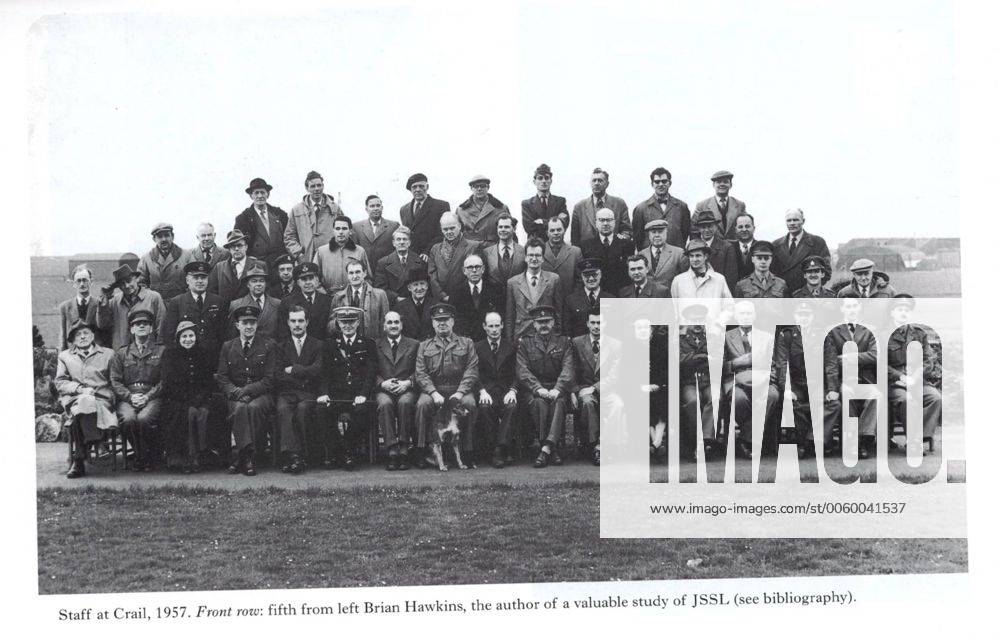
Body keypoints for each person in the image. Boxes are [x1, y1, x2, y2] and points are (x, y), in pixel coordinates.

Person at [414, 303, 479, 468]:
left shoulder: (467, 343)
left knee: (469, 404)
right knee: (422, 404)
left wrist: (460, 392)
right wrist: (433, 392)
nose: (442, 323)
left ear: (453, 321)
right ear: (433, 323)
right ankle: (422, 451)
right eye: (438, 320)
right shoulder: (424, 346)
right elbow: (420, 373)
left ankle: (468, 452)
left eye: (446, 319)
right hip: (434, 389)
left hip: (458, 389)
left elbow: (471, 371)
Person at [216, 304, 277, 476]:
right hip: (235, 395)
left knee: (254, 407)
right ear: (237, 325)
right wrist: (236, 392)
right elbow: (222, 377)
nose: (249, 326)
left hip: (261, 395)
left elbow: (269, 379)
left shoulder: (268, 345)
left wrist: (248, 391)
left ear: (257, 324)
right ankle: (248, 456)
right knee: (241, 407)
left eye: (252, 322)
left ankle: (240, 457)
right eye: (245, 323)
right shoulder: (228, 346)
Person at [771, 302, 836, 458]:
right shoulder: (786, 335)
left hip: (818, 383)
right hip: (796, 382)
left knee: (834, 404)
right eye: (801, 314)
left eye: (807, 314)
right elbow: (782, 364)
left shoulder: (823, 335)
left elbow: (831, 362)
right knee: (792, 403)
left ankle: (810, 441)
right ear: (795, 316)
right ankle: (804, 441)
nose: (804, 317)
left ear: (812, 316)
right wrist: (787, 389)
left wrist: (833, 388)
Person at [55, 320, 118, 478]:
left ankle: (78, 461)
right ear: (72, 339)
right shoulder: (65, 356)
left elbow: (115, 380)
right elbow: (60, 382)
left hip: (102, 398)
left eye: (86, 333)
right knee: (83, 402)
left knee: (79, 413)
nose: (82, 337)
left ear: (93, 336)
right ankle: (98, 442)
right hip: (75, 397)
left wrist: (108, 395)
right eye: (78, 334)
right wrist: (80, 389)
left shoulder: (108, 354)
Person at [315, 307, 377, 470]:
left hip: (358, 395)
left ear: (358, 323)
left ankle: (349, 451)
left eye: (351, 322)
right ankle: (334, 451)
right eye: (343, 322)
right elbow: (325, 373)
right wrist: (324, 394)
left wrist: (363, 394)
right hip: (337, 395)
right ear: (338, 323)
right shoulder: (330, 345)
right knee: (322, 410)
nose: (347, 326)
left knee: (362, 411)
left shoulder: (368, 344)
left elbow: (371, 374)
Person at [517, 305, 574, 468]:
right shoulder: (525, 343)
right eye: (539, 322)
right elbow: (522, 371)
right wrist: (538, 388)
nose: (544, 325)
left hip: (558, 388)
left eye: (547, 321)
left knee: (559, 403)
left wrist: (558, 388)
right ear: (533, 324)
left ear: (554, 322)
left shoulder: (564, 342)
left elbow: (568, 368)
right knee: (539, 403)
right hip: (535, 390)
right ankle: (552, 448)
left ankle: (545, 449)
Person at [720, 301, 777, 459]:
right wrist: (737, 362)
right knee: (738, 399)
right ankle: (753, 439)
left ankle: (745, 439)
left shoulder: (767, 337)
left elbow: (774, 365)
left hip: (763, 379)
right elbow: (719, 367)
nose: (745, 317)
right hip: (736, 381)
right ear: (736, 316)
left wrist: (768, 377)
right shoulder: (725, 337)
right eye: (742, 313)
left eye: (749, 313)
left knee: (771, 395)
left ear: (755, 316)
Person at [887, 294, 942, 455]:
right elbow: (879, 363)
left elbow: (928, 359)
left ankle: (919, 438)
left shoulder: (919, 334)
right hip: (894, 383)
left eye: (907, 310)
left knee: (935, 398)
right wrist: (901, 377)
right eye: (899, 309)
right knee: (906, 400)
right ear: (892, 313)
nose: (903, 313)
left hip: (917, 380)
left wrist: (915, 377)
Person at [823, 296, 878, 458]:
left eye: (855, 306)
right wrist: (833, 387)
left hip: (865, 378)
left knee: (876, 395)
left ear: (859, 308)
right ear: (842, 310)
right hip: (843, 378)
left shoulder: (869, 329)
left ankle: (861, 438)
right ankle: (852, 442)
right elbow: (831, 362)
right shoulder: (833, 331)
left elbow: (875, 355)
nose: (852, 310)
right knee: (847, 395)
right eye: (848, 307)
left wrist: (847, 357)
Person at [110, 308, 164, 470]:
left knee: (145, 419)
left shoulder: (161, 351)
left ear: (151, 328)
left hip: (152, 396)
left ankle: (151, 455)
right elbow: (115, 380)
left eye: (145, 324)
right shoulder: (121, 353)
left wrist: (147, 397)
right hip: (128, 397)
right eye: (137, 324)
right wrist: (129, 397)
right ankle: (142, 455)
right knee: (127, 419)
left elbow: (164, 380)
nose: (141, 326)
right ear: (132, 329)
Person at [274, 306, 324, 474]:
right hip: (286, 393)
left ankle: (300, 456)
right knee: (283, 410)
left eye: (300, 321)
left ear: (307, 322)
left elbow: (318, 370)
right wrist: (304, 372)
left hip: (308, 392)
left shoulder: (318, 345)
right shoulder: (280, 346)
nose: (297, 325)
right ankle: (294, 456)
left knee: (303, 410)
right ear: (288, 323)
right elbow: (278, 374)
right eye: (293, 321)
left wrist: (294, 369)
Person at [160, 320, 215, 473]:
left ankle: (200, 454)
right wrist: (188, 400)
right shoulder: (170, 354)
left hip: (200, 399)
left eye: (191, 335)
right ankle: (184, 456)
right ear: (178, 338)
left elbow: (207, 382)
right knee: (187, 414)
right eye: (184, 336)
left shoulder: (203, 354)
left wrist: (198, 400)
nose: (188, 339)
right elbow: (168, 382)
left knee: (203, 413)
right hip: (176, 400)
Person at [571, 312, 622, 466]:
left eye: (600, 323)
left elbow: (615, 375)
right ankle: (594, 446)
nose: (596, 327)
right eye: (593, 323)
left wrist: (595, 388)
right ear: (587, 324)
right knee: (587, 403)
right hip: (583, 389)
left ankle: (606, 443)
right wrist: (573, 392)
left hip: (607, 388)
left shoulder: (616, 344)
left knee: (618, 404)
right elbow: (570, 369)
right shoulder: (577, 342)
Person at [374, 311, 420, 471]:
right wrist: (382, 383)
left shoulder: (414, 344)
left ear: (401, 325)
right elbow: (370, 371)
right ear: (384, 326)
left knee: (405, 402)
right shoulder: (376, 345)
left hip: (406, 388)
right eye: (389, 323)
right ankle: (392, 450)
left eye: (396, 322)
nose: (393, 326)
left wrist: (408, 382)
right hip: (384, 389)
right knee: (385, 404)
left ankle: (404, 448)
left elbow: (420, 370)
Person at [475, 311, 518, 468]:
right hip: (487, 391)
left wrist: (513, 390)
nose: (494, 330)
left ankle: (500, 449)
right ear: (484, 327)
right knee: (485, 407)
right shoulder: (477, 347)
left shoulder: (511, 346)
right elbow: (474, 373)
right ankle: (494, 448)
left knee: (512, 407)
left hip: (506, 391)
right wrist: (481, 391)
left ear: (502, 326)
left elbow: (517, 372)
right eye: (490, 326)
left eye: (497, 326)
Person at [505, 237, 564, 340]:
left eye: (538, 255)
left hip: (546, 335)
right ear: (525, 257)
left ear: (543, 258)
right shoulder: (513, 283)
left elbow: (558, 312)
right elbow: (510, 316)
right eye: (530, 255)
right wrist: (509, 341)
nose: (534, 258)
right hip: (521, 336)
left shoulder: (553, 279)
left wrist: (557, 335)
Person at [284, 170, 347, 265]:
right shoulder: (296, 210)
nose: (316, 189)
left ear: (323, 186)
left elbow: (345, 231)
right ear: (307, 188)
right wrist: (298, 254)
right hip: (307, 259)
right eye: (313, 186)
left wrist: (338, 250)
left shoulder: (335, 208)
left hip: (331, 258)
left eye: (319, 185)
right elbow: (289, 236)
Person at [97, 264, 166, 349]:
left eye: (129, 281)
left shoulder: (153, 298)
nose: (126, 286)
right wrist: (103, 305)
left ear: (136, 279)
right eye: (121, 284)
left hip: (147, 351)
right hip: (121, 352)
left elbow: (162, 326)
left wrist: (158, 349)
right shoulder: (114, 301)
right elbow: (102, 325)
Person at [678, 303, 714, 461]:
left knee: (716, 398)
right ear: (687, 320)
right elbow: (679, 360)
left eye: (701, 319)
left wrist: (691, 358)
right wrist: (703, 357)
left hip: (708, 380)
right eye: (694, 319)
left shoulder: (713, 336)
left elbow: (719, 358)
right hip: (689, 381)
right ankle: (696, 441)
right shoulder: (679, 338)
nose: (698, 323)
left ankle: (704, 441)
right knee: (693, 401)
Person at [772, 208, 831, 294]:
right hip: (783, 295)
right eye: (789, 220)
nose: (792, 223)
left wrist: (811, 289)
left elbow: (826, 272)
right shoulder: (776, 245)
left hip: (807, 295)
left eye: (795, 220)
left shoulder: (817, 242)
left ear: (803, 221)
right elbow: (772, 272)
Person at [235, 177, 289, 269]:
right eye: (256, 193)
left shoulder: (279, 214)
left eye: (262, 192)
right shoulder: (243, 218)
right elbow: (238, 243)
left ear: (268, 194)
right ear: (251, 196)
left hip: (279, 264)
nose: (260, 196)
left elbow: (289, 236)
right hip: (257, 266)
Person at [329, 259, 390, 340]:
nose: (354, 276)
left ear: (364, 273)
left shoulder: (379, 295)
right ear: (347, 275)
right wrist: (337, 322)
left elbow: (386, 323)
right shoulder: (338, 297)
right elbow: (330, 327)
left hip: (372, 345)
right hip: (347, 345)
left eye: (357, 272)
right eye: (351, 273)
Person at [631, 167, 691, 249]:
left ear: (670, 183)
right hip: (651, 257)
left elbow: (685, 233)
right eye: (657, 182)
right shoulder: (641, 209)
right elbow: (638, 237)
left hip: (676, 256)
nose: (660, 184)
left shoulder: (681, 206)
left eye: (664, 181)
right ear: (652, 184)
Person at [448, 253, 503, 341]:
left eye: (477, 267)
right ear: (464, 271)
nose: (474, 270)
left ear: (483, 269)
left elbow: (500, 315)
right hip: (464, 340)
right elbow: (453, 319)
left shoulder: (495, 289)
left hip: (489, 339)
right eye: (470, 267)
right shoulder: (456, 291)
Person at [580, 207, 635, 295]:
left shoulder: (626, 244)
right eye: (602, 220)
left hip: (620, 293)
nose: (605, 223)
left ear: (614, 222)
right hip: (597, 294)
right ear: (596, 223)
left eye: (609, 220)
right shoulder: (586, 245)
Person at [571, 167, 632, 246]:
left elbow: (626, 231)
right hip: (587, 255)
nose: (596, 183)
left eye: (600, 180)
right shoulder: (579, 207)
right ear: (590, 183)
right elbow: (575, 238)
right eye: (594, 180)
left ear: (607, 184)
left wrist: (617, 245)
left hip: (614, 253)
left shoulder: (619, 204)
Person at [428, 213, 483, 298]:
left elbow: (474, 274)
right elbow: (432, 276)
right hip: (441, 299)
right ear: (441, 230)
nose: (449, 232)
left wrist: (457, 297)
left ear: (459, 226)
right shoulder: (435, 249)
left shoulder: (473, 246)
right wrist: (442, 295)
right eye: (445, 229)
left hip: (465, 298)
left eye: (452, 228)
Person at [670, 239, 734, 310]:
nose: (694, 259)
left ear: (705, 256)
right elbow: (674, 307)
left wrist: (719, 321)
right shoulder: (678, 281)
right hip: (687, 321)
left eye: (698, 255)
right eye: (691, 256)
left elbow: (729, 307)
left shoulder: (719, 279)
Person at [138, 222, 194, 302]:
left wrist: (186, 299)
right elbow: (141, 284)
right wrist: (151, 299)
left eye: (167, 235)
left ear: (172, 236)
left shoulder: (187, 256)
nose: (164, 239)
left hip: (181, 304)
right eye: (160, 236)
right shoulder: (146, 259)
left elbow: (194, 281)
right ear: (154, 239)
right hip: (156, 305)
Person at [373, 226, 432, 301]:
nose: (401, 242)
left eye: (404, 239)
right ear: (393, 243)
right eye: (398, 239)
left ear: (409, 242)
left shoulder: (420, 261)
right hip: (393, 304)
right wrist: (396, 298)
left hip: (414, 303)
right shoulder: (383, 263)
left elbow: (426, 287)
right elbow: (380, 288)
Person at [314, 215, 372, 293]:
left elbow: (368, 278)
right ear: (333, 231)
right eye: (337, 229)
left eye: (344, 228)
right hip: (328, 297)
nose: (341, 232)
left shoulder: (359, 251)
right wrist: (323, 294)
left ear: (350, 231)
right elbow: (314, 277)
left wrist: (357, 293)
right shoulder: (321, 251)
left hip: (352, 297)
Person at [399, 172, 451, 257]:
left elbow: (442, 233)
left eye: (421, 186)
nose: (418, 189)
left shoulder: (441, 206)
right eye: (414, 187)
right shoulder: (404, 209)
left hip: (433, 255)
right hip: (412, 257)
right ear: (410, 190)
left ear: (427, 187)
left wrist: (427, 251)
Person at [278, 262, 332, 341]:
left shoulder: (327, 300)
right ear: (298, 282)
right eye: (304, 279)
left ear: (317, 279)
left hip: (322, 347)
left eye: (311, 278)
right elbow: (283, 332)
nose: (308, 282)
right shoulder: (287, 302)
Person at [563, 258, 616, 338]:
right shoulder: (571, 300)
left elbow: (614, 328)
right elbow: (567, 330)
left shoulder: (611, 300)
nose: (591, 279)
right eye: (587, 275)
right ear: (582, 276)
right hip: (579, 348)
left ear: (600, 275)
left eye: (594, 274)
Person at [227, 263, 282, 341]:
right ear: (248, 284)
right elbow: (232, 337)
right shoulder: (236, 305)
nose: (258, 284)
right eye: (254, 281)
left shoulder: (277, 304)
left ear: (266, 284)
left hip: (271, 350)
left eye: (261, 281)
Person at [693, 210, 740, 293]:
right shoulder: (692, 246)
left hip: (718, 293)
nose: (707, 230)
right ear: (699, 228)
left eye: (710, 226)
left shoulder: (727, 247)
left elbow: (731, 278)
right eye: (703, 227)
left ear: (716, 227)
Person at [482, 213, 526, 303]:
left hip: (517, 301)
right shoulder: (486, 253)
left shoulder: (524, 252)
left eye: (506, 227)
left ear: (514, 229)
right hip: (494, 302)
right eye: (500, 227)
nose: (503, 230)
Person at [208, 229, 259, 306]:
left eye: (240, 245)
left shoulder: (258, 265)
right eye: (233, 246)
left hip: (251, 312)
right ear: (229, 250)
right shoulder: (219, 267)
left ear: (246, 247)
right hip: (226, 313)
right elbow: (212, 292)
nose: (236, 249)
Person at [455, 174, 511, 244]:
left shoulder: (501, 208)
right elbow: (456, 234)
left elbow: (510, 232)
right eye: (476, 186)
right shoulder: (461, 210)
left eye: (482, 186)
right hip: (470, 250)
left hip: (493, 249)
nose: (479, 189)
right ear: (471, 188)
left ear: (488, 187)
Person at [521, 163, 569, 241]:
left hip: (556, 245)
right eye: (540, 178)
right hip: (536, 247)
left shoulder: (560, 202)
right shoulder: (527, 204)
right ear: (534, 181)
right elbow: (529, 227)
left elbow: (564, 222)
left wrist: (542, 221)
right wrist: (554, 222)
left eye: (546, 178)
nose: (544, 181)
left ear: (551, 181)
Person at [693, 170, 746, 240]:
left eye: (725, 182)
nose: (722, 184)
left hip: (734, 249)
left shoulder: (740, 205)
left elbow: (744, 228)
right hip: (710, 249)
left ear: (731, 185)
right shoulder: (702, 206)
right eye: (718, 182)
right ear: (713, 185)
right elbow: (694, 231)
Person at [58, 265, 102, 349]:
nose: (82, 284)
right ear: (74, 284)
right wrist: (62, 358)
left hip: (96, 355)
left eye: (85, 280)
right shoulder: (65, 307)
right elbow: (63, 335)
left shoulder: (100, 305)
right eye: (78, 281)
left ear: (91, 282)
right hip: (73, 355)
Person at [637, 219, 685, 292]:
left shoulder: (679, 253)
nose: (657, 235)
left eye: (660, 232)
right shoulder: (641, 254)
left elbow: (684, 280)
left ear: (666, 233)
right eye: (653, 232)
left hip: (670, 298)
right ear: (649, 235)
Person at [541, 216, 582, 299]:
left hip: (568, 301)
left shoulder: (575, 252)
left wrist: (573, 298)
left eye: (559, 229)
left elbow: (580, 280)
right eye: (552, 230)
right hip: (545, 302)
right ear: (547, 233)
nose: (556, 233)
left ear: (564, 230)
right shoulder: (539, 252)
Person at [352, 194, 400, 265]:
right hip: (365, 270)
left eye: (378, 205)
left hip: (386, 270)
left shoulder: (393, 226)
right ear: (366, 209)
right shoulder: (356, 227)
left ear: (382, 207)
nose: (375, 208)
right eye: (372, 206)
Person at [732, 213, 757, 281]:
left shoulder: (760, 247)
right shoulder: (729, 248)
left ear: (754, 228)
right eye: (740, 227)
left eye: (747, 226)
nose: (744, 229)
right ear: (735, 229)